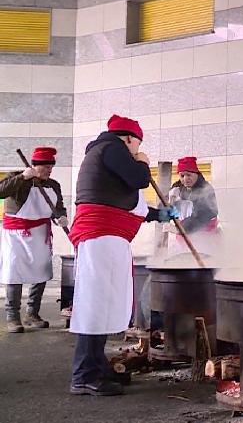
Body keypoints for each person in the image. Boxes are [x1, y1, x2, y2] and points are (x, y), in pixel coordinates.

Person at [67, 115, 179, 396]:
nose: (137, 149)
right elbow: (140, 179)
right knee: (94, 304)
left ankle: (97, 366)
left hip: (104, 236)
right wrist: (142, 159)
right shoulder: (112, 148)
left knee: (102, 303)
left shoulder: (104, 154)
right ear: (129, 138)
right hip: (100, 237)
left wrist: (158, 215)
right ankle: (84, 375)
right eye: (137, 144)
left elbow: (127, 203)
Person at [1, 147, 68, 333]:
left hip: (40, 233)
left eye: (51, 167)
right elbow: (1, 191)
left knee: (41, 271)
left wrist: (61, 216)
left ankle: (32, 313)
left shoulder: (53, 185)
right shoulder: (17, 177)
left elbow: (58, 206)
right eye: (46, 167)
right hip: (16, 234)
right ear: (35, 165)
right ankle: (13, 317)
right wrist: (22, 177)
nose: (49, 171)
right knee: (14, 272)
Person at [163, 156, 220, 251]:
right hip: (183, 234)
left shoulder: (205, 189)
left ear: (196, 174)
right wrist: (170, 198)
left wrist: (180, 229)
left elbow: (203, 214)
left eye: (189, 175)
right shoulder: (178, 186)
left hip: (203, 236)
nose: (185, 179)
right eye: (182, 176)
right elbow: (164, 206)